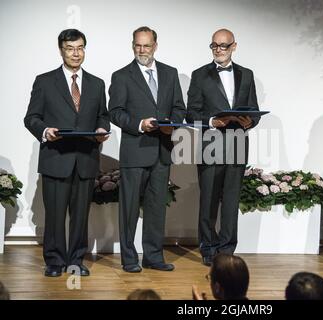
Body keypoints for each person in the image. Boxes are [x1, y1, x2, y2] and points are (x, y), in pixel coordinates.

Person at [24, 29, 110, 277]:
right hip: (55, 158)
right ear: (61, 49)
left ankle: (76, 260)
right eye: (70, 48)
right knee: (55, 215)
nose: (76, 53)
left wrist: (103, 127)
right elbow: (31, 118)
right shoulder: (44, 81)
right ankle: (54, 261)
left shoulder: (96, 83)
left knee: (80, 216)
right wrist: (45, 130)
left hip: (85, 159)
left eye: (80, 47)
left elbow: (102, 115)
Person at [109, 26, 186, 273]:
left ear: (155, 45)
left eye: (147, 45)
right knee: (129, 208)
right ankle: (129, 259)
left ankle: (153, 257)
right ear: (133, 46)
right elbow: (115, 112)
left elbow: (179, 107)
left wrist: (171, 126)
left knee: (155, 209)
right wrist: (139, 124)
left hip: (162, 151)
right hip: (135, 151)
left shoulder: (170, 73)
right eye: (138, 45)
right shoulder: (121, 76)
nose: (142, 50)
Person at [186, 29, 260, 266]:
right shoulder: (199, 75)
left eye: (223, 46)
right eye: (214, 46)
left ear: (234, 47)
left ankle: (227, 249)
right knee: (208, 201)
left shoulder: (247, 75)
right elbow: (191, 114)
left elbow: (254, 109)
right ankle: (208, 248)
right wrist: (211, 122)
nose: (218, 49)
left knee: (230, 202)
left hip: (238, 142)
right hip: (211, 144)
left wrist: (251, 121)